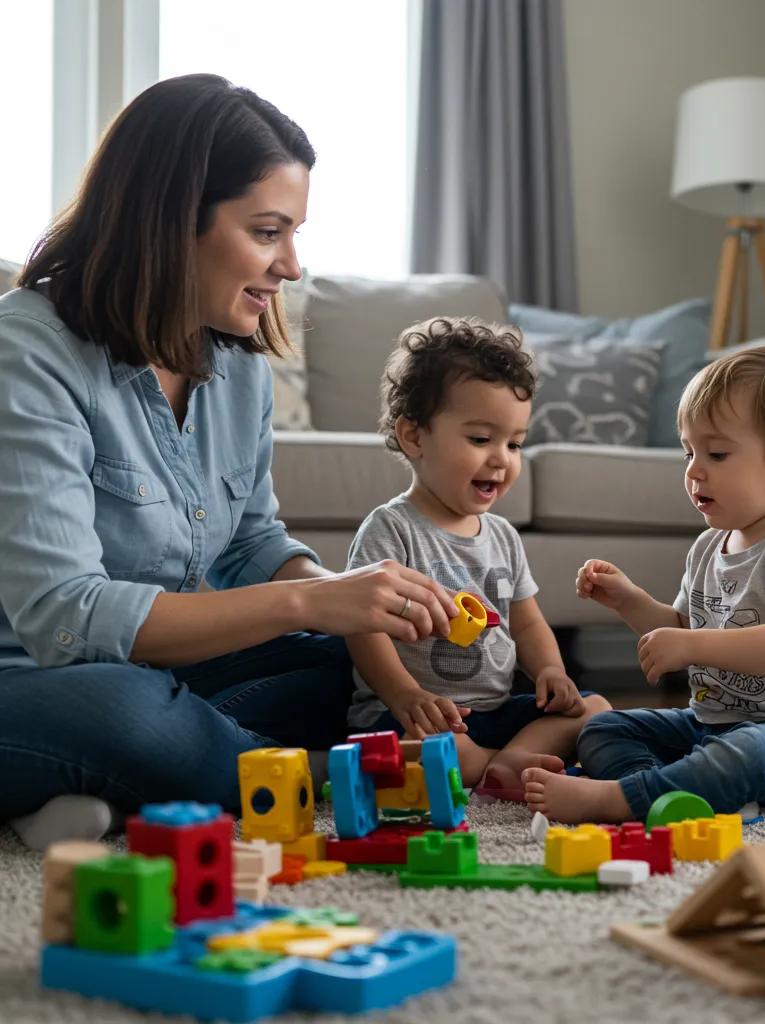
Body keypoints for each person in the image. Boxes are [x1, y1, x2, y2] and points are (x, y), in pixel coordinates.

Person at [0, 74, 457, 852]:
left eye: (294, 234)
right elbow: (66, 617)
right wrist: (310, 607)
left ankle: (115, 790)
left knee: (333, 665)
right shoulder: (27, 354)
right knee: (129, 714)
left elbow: (251, 544)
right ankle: (305, 771)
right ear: (173, 220)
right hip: (35, 680)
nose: (292, 268)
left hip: (160, 674)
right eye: (269, 231)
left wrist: (348, 602)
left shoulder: (235, 361)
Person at [523, 345, 765, 823]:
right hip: (712, 723)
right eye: (689, 451)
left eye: (718, 453)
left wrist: (689, 644)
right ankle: (675, 796)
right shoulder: (709, 545)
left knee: (749, 752)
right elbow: (681, 624)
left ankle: (620, 800)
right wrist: (629, 600)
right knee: (604, 730)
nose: (693, 469)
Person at [345, 316, 612, 789]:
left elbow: (527, 622)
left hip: (493, 708)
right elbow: (363, 629)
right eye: (480, 439)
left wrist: (550, 670)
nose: (501, 459)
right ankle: (498, 763)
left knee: (596, 709)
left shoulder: (502, 536)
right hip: (414, 716)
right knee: (417, 754)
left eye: (515, 443)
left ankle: (503, 761)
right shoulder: (392, 528)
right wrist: (405, 694)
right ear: (415, 436)